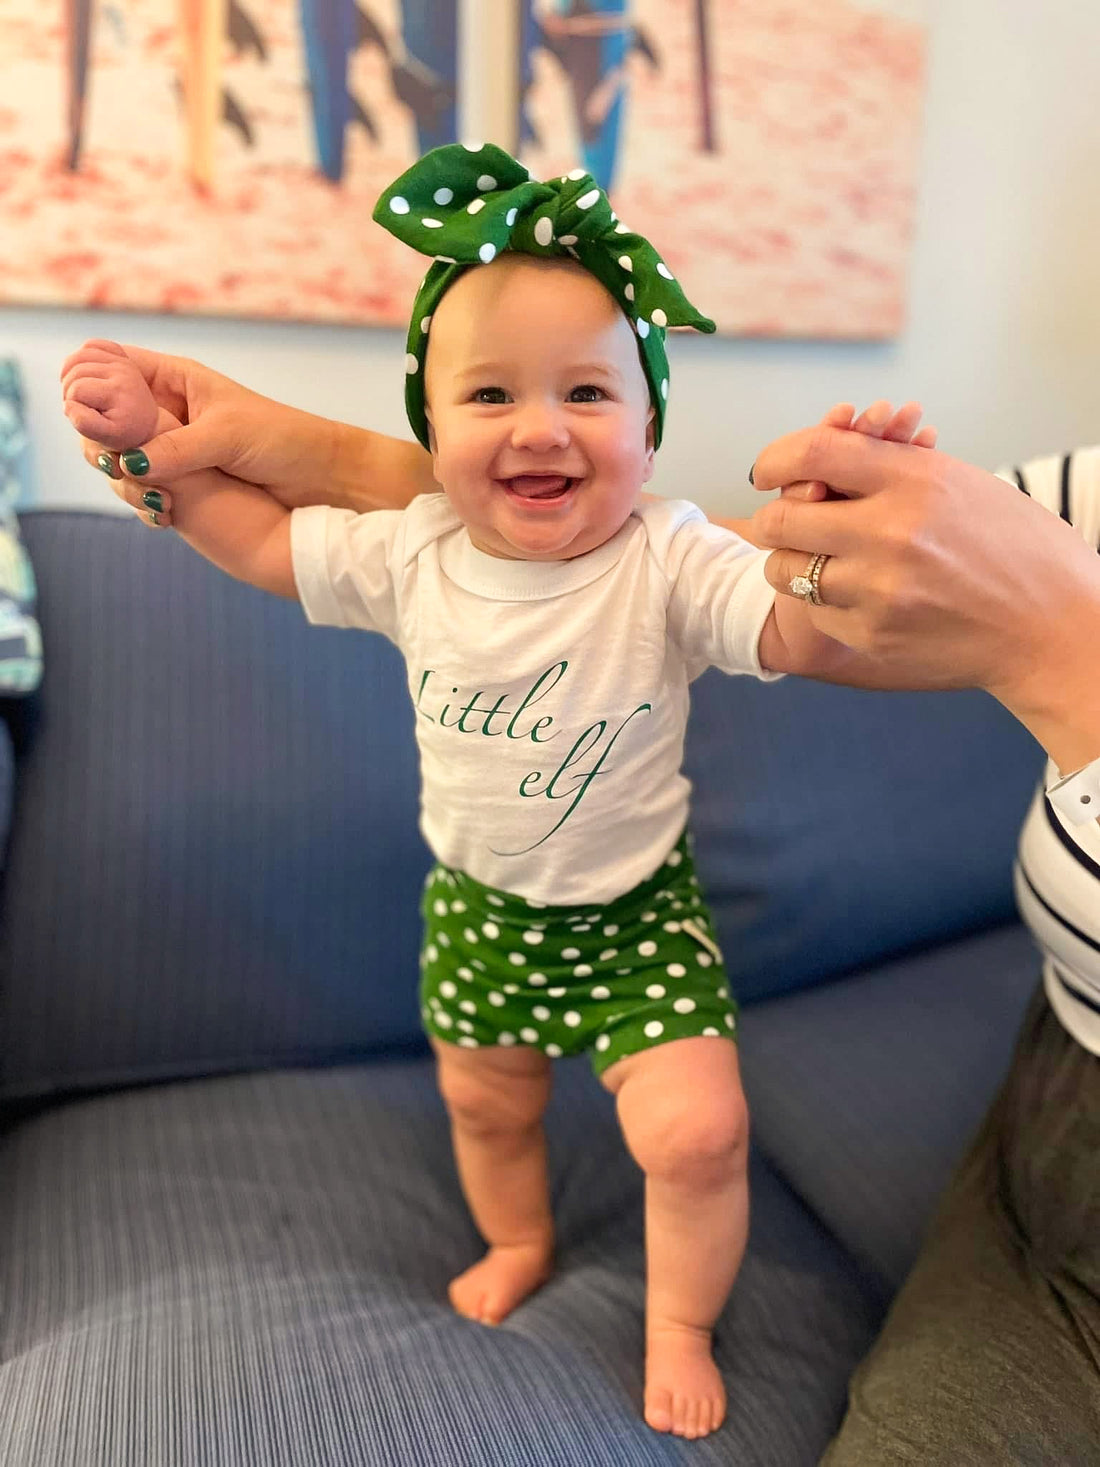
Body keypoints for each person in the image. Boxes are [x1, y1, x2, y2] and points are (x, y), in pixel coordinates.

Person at [62, 206, 1100, 1467]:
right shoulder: (414, 552)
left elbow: (801, 629)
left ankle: (677, 1321)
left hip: (633, 918)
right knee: (486, 1106)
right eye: (489, 392)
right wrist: (160, 467)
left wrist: (836, 511)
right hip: (481, 912)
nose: (541, 425)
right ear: (431, 438)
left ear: (649, 431)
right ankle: (517, 1241)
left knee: (698, 1133)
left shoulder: (667, 557)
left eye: (589, 391)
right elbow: (272, 541)